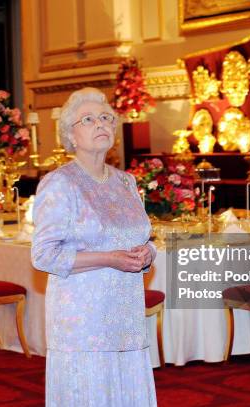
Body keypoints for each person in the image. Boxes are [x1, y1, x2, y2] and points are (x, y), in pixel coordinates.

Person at [31, 87, 157, 407]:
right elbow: (44, 255)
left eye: (105, 118)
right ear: (70, 136)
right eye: (87, 120)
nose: (99, 124)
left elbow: (142, 239)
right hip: (82, 321)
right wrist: (109, 259)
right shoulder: (60, 183)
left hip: (125, 313)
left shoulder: (126, 182)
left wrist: (147, 254)